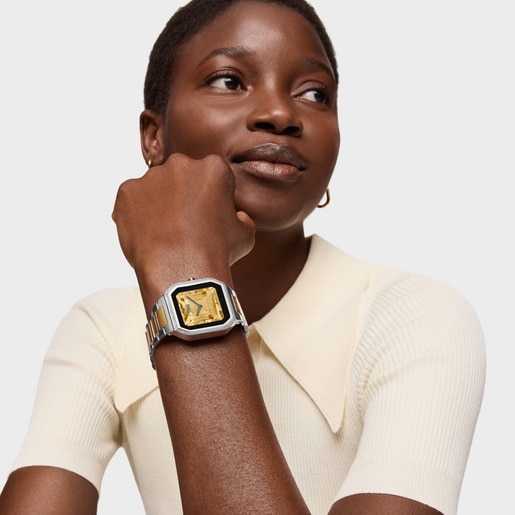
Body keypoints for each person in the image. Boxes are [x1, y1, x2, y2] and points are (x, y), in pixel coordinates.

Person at [0, 0, 486, 513]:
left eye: (314, 94)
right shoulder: (102, 328)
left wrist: (185, 270)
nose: (281, 115)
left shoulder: (415, 318)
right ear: (154, 137)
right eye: (230, 81)